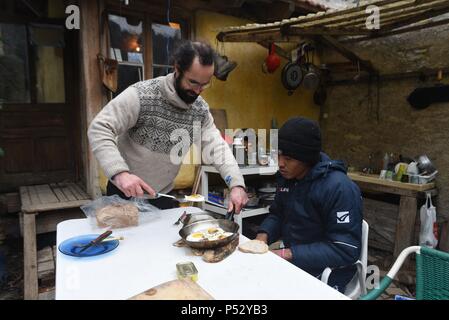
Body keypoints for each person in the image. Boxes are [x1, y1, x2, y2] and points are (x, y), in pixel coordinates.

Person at [88, 40, 248, 211]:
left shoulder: (199, 110)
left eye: (205, 84)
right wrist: (120, 173)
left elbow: (217, 148)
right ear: (177, 69)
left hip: (162, 197)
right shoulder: (143, 95)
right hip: (122, 195)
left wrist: (237, 184)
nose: (198, 91)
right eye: (193, 82)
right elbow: (100, 127)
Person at [255, 117, 363, 293]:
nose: (280, 163)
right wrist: (262, 236)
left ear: (307, 159)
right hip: (295, 261)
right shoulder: (288, 178)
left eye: (288, 158)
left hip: (328, 271)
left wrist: (286, 254)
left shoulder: (339, 188)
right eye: (278, 155)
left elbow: (344, 249)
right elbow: (278, 214)